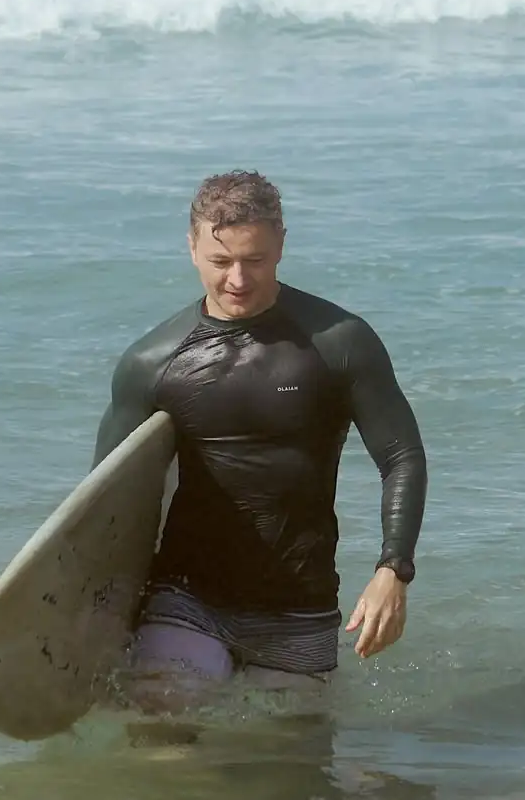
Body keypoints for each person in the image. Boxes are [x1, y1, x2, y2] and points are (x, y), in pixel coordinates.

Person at [93, 170, 427, 698]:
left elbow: (401, 455)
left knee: (290, 746)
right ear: (192, 248)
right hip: (186, 598)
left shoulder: (339, 343)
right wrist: (91, 621)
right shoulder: (151, 362)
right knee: (160, 718)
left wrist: (394, 569)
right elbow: (103, 500)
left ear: (282, 245)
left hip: (300, 607)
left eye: (255, 260)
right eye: (220, 261)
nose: (238, 280)